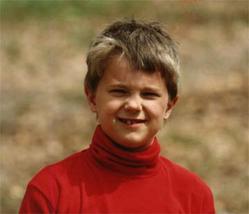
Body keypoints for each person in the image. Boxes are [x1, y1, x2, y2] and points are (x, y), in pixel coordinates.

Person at [19, 19, 215, 214]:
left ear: (169, 106)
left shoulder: (193, 196)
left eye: (149, 94)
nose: (133, 105)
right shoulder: (51, 191)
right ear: (92, 97)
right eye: (119, 91)